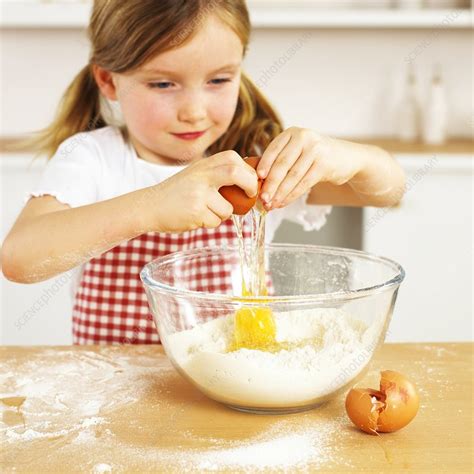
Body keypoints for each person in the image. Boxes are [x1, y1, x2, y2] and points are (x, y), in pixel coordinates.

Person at [1, 0, 405, 344]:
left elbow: (388, 192)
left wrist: (353, 157)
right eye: (162, 84)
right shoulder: (93, 160)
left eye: (218, 79)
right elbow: (20, 259)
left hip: (237, 380)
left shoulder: (258, 161)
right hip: (115, 396)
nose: (193, 110)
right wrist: (149, 207)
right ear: (108, 81)